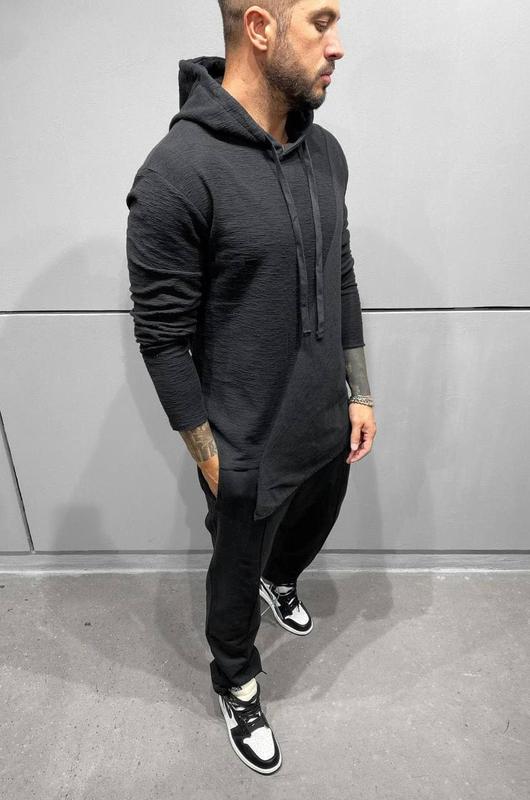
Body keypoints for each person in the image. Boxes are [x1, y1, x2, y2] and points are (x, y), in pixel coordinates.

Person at [125, 0, 377, 775]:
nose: (340, 46)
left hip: (325, 425)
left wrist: (359, 391)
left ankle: (281, 579)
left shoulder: (327, 152)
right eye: (321, 22)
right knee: (232, 586)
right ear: (261, 27)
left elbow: (340, 272)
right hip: (245, 449)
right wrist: (212, 458)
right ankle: (236, 680)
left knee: (301, 538)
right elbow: (162, 337)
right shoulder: (176, 174)